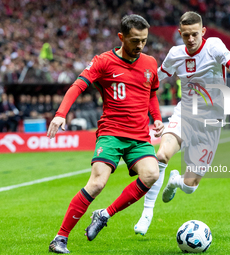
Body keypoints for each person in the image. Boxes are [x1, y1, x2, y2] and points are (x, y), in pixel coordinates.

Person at [47, 14, 164, 254]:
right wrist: (61, 114)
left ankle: (104, 214)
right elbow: (78, 85)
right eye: (134, 40)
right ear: (121, 37)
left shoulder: (150, 63)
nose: (139, 46)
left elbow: (151, 93)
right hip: (112, 132)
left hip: (139, 136)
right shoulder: (103, 61)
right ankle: (60, 238)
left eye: (143, 40)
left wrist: (158, 118)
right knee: (98, 182)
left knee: (151, 174)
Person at [134, 11, 230, 236]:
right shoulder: (175, 53)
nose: (190, 39)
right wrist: (140, 85)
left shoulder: (214, 46)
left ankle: (176, 181)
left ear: (203, 32)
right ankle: (147, 213)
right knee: (161, 156)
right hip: (185, 113)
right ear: (180, 33)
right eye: (186, 35)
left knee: (189, 187)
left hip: (211, 121)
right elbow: (158, 76)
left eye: (194, 34)